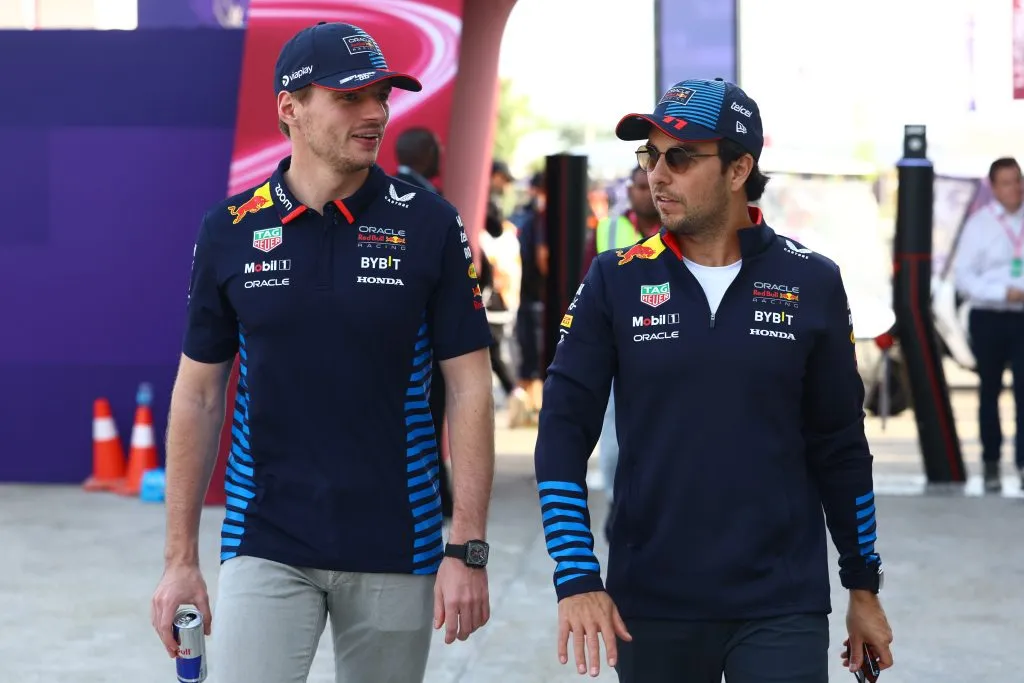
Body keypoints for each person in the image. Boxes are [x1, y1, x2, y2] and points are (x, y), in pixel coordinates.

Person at [150, 22, 496, 683]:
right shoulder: (228, 231)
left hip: (400, 539)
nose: (375, 114)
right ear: (290, 107)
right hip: (266, 538)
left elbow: (471, 387)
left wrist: (468, 547)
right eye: (350, 97)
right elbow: (197, 394)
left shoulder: (428, 224)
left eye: (382, 96)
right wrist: (178, 559)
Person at [533, 78, 893, 683]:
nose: (658, 174)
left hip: (781, 604)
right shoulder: (613, 278)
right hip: (650, 604)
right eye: (650, 154)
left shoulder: (813, 281)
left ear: (738, 169)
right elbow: (561, 434)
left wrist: (863, 584)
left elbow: (841, 447)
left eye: (681, 156)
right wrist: (576, 577)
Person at [586, 167, 660, 540]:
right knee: (614, 441)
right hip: (618, 349)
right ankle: (619, 505)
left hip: (666, 349)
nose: (645, 192)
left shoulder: (682, 230)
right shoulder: (608, 230)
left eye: (648, 186)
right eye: (638, 186)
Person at [953, 156, 1024, 493]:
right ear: (994, 188)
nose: (1016, 188)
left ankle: (1022, 463)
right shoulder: (979, 224)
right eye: (1008, 182)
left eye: (1019, 180)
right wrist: (1002, 292)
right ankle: (991, 462)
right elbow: (965, 278)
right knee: (990, 391)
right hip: (989, 315)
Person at [394, 125, 454, 518]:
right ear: (425, 153)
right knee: (425, 415)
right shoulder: (422, 203)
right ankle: (433, 493)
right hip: (419, 337)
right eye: (438, 148)